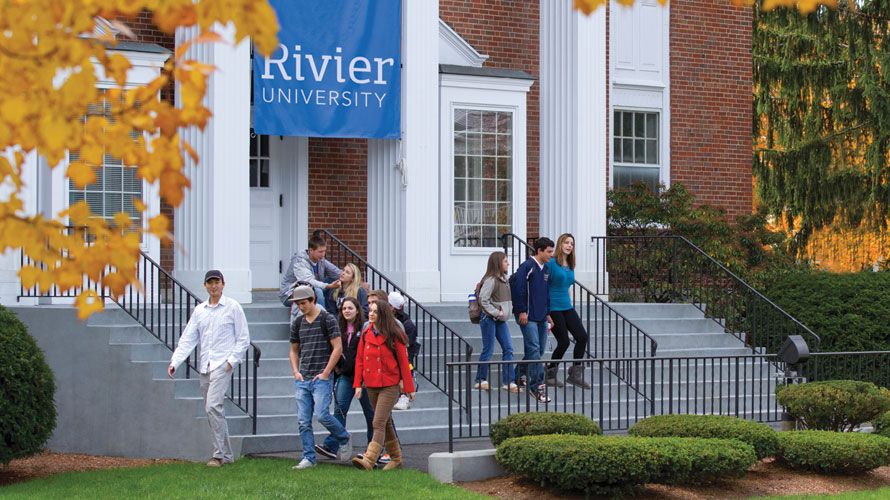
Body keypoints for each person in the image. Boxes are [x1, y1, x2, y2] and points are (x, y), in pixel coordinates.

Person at [167, 270, 250, 467]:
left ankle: (218, 455)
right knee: (213, 411)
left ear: (223, 284)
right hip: (205, 366)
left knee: (213, 406)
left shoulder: (233, 307)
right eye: (210, 283)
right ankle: (228, 455)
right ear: (205, 286)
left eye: (217, 282)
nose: (213, 286)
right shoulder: (200, 311)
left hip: (223, 364)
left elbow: (243, 338)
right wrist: (175, 362)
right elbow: (188, 338)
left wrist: (232, 361)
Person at [288, 285, 350, 469]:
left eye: (303, 303)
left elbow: (338, 348)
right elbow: (293, 351)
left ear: (313, 299)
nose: (301, 307)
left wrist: (326, 373)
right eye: (298, 304)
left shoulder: (327, 319)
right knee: (303, 421)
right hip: (303, 378)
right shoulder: (298, 323)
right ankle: (309, 457)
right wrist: (295, 372)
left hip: (321, 377)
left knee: (322, 415)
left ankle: (344, 437)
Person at [352, 301, 415, 470]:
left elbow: (403, 362)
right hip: (371, 384)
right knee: (385, 422)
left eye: (375, 312)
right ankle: (396, 458)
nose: (370, 314)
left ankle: (369, 459)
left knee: (378, 422)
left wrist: (409, 388)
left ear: (383, 315)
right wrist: (358, 384)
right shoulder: (366, 333)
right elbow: (359, 360)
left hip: (389, 384)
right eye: (370, 311)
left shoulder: (395, 334)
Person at [315, 297, 377, 461]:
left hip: (364, 379)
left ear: (357, 310)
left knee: (370, 414)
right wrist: (336, 369)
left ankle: (373, 449)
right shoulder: (338, 328)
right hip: (345, 376)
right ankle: (332, 445)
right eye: (344, 309)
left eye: (350, 308)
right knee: (339, 411)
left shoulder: (364, 328)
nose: (347, 311)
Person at [511, 237, 555, 404]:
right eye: (549, 252)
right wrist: (521, 310)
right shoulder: (527, 266)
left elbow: (545, 293)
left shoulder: (546, 268)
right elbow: (518, 289)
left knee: (538, 351)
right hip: (527, 316)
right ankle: (537, 386)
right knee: (534, 349)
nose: (551, 255)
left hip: (541, 316)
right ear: (540, 251)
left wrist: (548, 313)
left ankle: (516, 374)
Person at [546, 233, 591, 389]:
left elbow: (567, 286)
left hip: (567, 306)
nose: (569, 245)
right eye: (566, 242)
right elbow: (544, 286)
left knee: (582, 337)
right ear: (560, 244)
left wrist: (570, 304)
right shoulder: (551, 263)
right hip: (553, 307)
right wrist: (546, 311)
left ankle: (575, 374)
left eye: (572, 243)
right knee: (564, 341)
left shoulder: (570, 265)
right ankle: (550, 374)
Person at [474, 252, 518, 393]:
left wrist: (505, 312)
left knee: (508, 348)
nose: (508, 264)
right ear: (498, 263)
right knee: (488, 349)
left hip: (500, 320)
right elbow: (483, 299)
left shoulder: (504, 280)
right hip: (489, 319)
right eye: (505, 261)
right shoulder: (491, 280)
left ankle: (508, 381)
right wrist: (495, 312)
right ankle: (480, 380)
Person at [279, 234, 342, 323]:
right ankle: (323, 321)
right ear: (311, 250)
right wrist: (327, 286)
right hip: (289, 294)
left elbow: (337, 272)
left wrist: (357, 281)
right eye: (320, 252)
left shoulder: (321, 260)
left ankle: (333, 317)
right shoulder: (299, 260)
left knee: (333, 282)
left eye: (324, 251)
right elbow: (308, 281)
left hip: (311, 290)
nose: (323, 255)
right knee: (317, 290)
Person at [388, 291, 419, 410]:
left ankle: (404, 395)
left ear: (392, 307)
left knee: (407, 364)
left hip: (403, 358)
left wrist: (403, 379)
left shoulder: (407, 325)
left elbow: (407, 350)